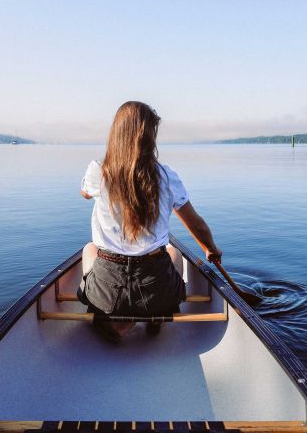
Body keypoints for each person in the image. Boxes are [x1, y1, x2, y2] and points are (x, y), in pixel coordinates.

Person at [78, 101, 222, 342]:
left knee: (89, 249)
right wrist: (210, 249)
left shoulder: (98, 171)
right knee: (173, 252)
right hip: (158, 292)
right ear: (149, 138)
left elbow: (84, 193)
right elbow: (196, 225)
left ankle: (115, 322)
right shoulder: (167, 176)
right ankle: (155, 315)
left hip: (107, 292)